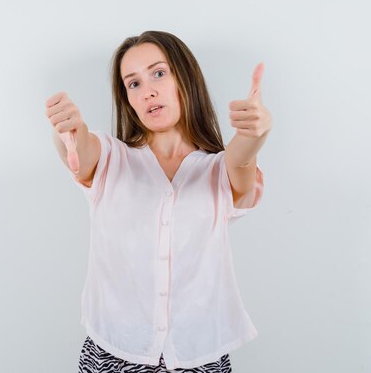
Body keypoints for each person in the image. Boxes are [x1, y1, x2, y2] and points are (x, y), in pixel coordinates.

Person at [44, 30, 272, 373]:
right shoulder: (112, 159)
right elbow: (83, 150)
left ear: (185, 78)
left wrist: (255, 134)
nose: (147, 89)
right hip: (113, 353)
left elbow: (240, 162)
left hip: (199, 357)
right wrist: (68, 133)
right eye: (132, 83)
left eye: (159, 73)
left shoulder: (216, 170)